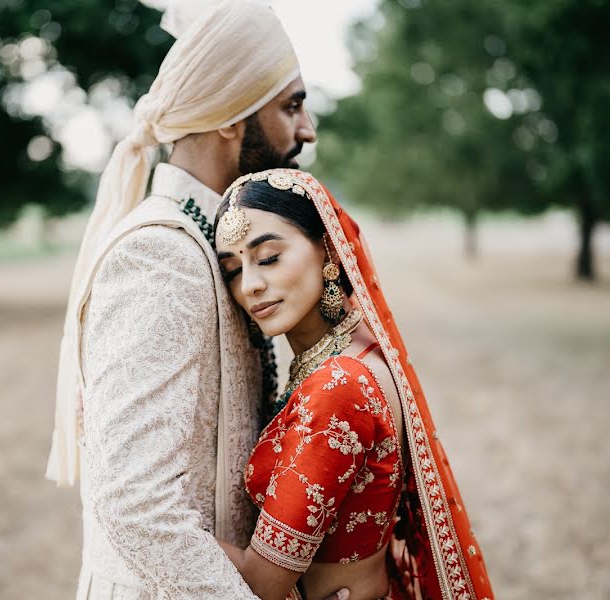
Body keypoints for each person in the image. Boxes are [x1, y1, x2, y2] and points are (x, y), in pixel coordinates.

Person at [43, 2, 334, 599]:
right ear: (231, 117)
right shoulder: (161, 255)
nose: (307, 130)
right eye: (292, 105)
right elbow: (134, 504)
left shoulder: (213, 240)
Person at [213, 169, 495, 600]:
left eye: (268, 257)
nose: (250, 285)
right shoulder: (356, 348)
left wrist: (155, 524)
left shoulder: (338, 386)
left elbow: (260, 585)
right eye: (232, 270)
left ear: (328, 248)